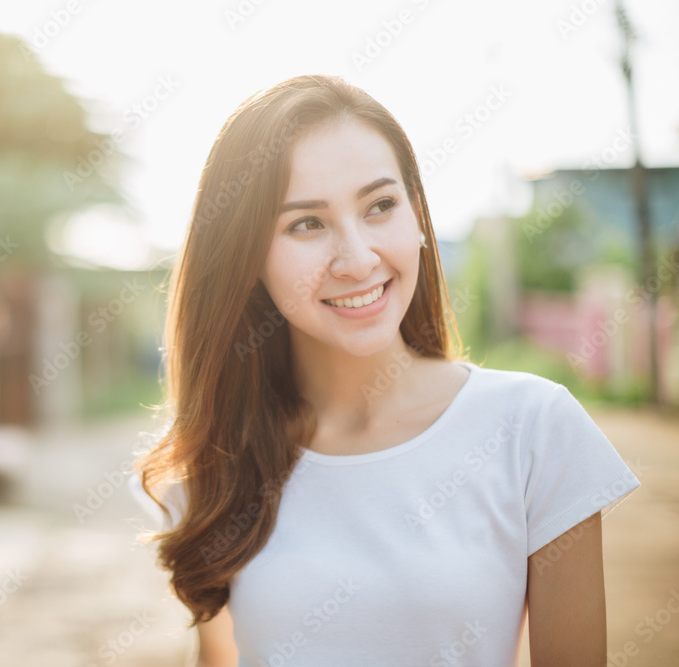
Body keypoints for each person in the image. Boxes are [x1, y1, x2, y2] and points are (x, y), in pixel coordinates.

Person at [127, 74, 640, 666]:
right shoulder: (216, 466)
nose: (358, 258)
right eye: (306, 223)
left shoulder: (533, 430)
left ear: (418, 216)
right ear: (247, 256)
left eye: (380, 206)